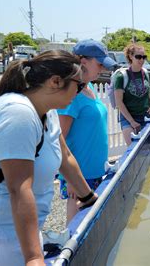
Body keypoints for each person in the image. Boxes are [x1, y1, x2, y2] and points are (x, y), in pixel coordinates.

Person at [0, 51, 98, 266]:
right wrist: (33, 258)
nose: (80, 92)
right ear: (55, 81)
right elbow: (19, 188)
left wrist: (88, 198)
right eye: (78, 86)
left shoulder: (46, 110)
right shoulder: (18, 113)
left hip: (22, 229)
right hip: (4, 234)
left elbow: (65, 156)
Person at [58, 40, 117, 223]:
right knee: (77, 226)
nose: (102, 69)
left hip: (97, 170)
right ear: (83, 62)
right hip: (80, 176)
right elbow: (60, 139)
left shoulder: (88, 86)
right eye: (99, 64)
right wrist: (72, 180)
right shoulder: (71, 94)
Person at [114, 44, 150, 145]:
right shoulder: (121, 76)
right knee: (133, 149)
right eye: (138, 57)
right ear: (131, 56)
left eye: (144, 57)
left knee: (146, 149)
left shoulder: (147, 74)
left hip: (145, 116)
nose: (141, 60)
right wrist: (132, 121)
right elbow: (119, 102)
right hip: (128, 117)